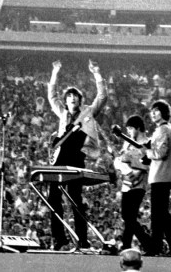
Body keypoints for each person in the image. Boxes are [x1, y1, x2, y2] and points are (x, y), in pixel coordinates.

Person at [47, 59, 107, 250]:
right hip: (60, 159)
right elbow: (51, 96)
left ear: (80, 100)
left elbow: (102, 97)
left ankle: (82, 238)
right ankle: (59, 238)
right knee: (53, 197)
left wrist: (97, 74)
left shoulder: (88, 112)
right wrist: (55, 73)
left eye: (75, 96)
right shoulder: (62, 113)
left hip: (76, 157)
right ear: (66, 101)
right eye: (69, 96)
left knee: (75, 199)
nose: (72, 98)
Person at [141, 99, 171, 256]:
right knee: (160, 213)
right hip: (160, 176)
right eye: (152, 110)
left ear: (164, 113)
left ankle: (165, 245)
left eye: (156, 110)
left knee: (159, 214)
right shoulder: (163, 129)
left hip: (161, 176)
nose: (152, 113)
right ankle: (168, 244)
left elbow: (160, 153)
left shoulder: (164, 130)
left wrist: (148, 153)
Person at [113, 115, 152, 252]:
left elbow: (147, 164)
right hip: (126, 183)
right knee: (127, 216)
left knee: (130, 216)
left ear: (138, 128)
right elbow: (120, 159)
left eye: (130, 129)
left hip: (139, 183)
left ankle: (145, 242)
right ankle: (127, 245)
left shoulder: (147, 143)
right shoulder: (127, 143)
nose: (129, 132)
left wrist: (131, 164)